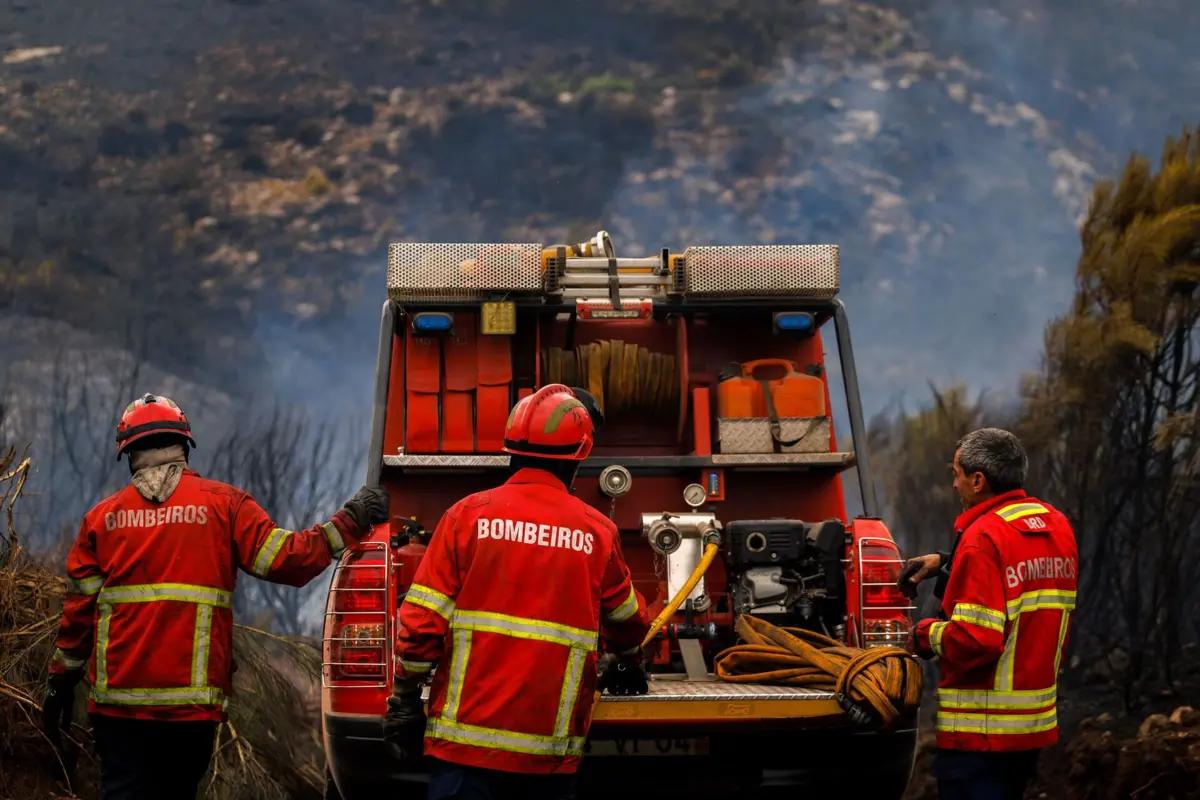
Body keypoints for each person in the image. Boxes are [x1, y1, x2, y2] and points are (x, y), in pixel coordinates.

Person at [41, 393, 390, 800]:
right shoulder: (224, 506)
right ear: (184, 447)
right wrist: (351, 520)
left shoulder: (102, 520)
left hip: (119, 712)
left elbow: (77, 616)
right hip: (190, 714)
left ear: (129, 454)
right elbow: (291, 560)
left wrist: (59, 685)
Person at [383, 384, 651, 800]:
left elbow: (420, 624)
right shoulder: (597, 532)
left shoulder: (466, 517)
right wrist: (630, 660)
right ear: (580, 455)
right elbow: (627, 620)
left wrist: (403, 697)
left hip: (463, 755)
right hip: (547, 760)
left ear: (511, 446)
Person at [897, 428, 1078, 800]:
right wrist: (948, 565)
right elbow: (1017, 587)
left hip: (980, 735)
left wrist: (922, 635)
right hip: (1030, 731)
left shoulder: (982, 539)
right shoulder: (1055, 526)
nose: (953, 483)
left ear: (978, 480)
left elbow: (975, 639)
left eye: (957, 473)